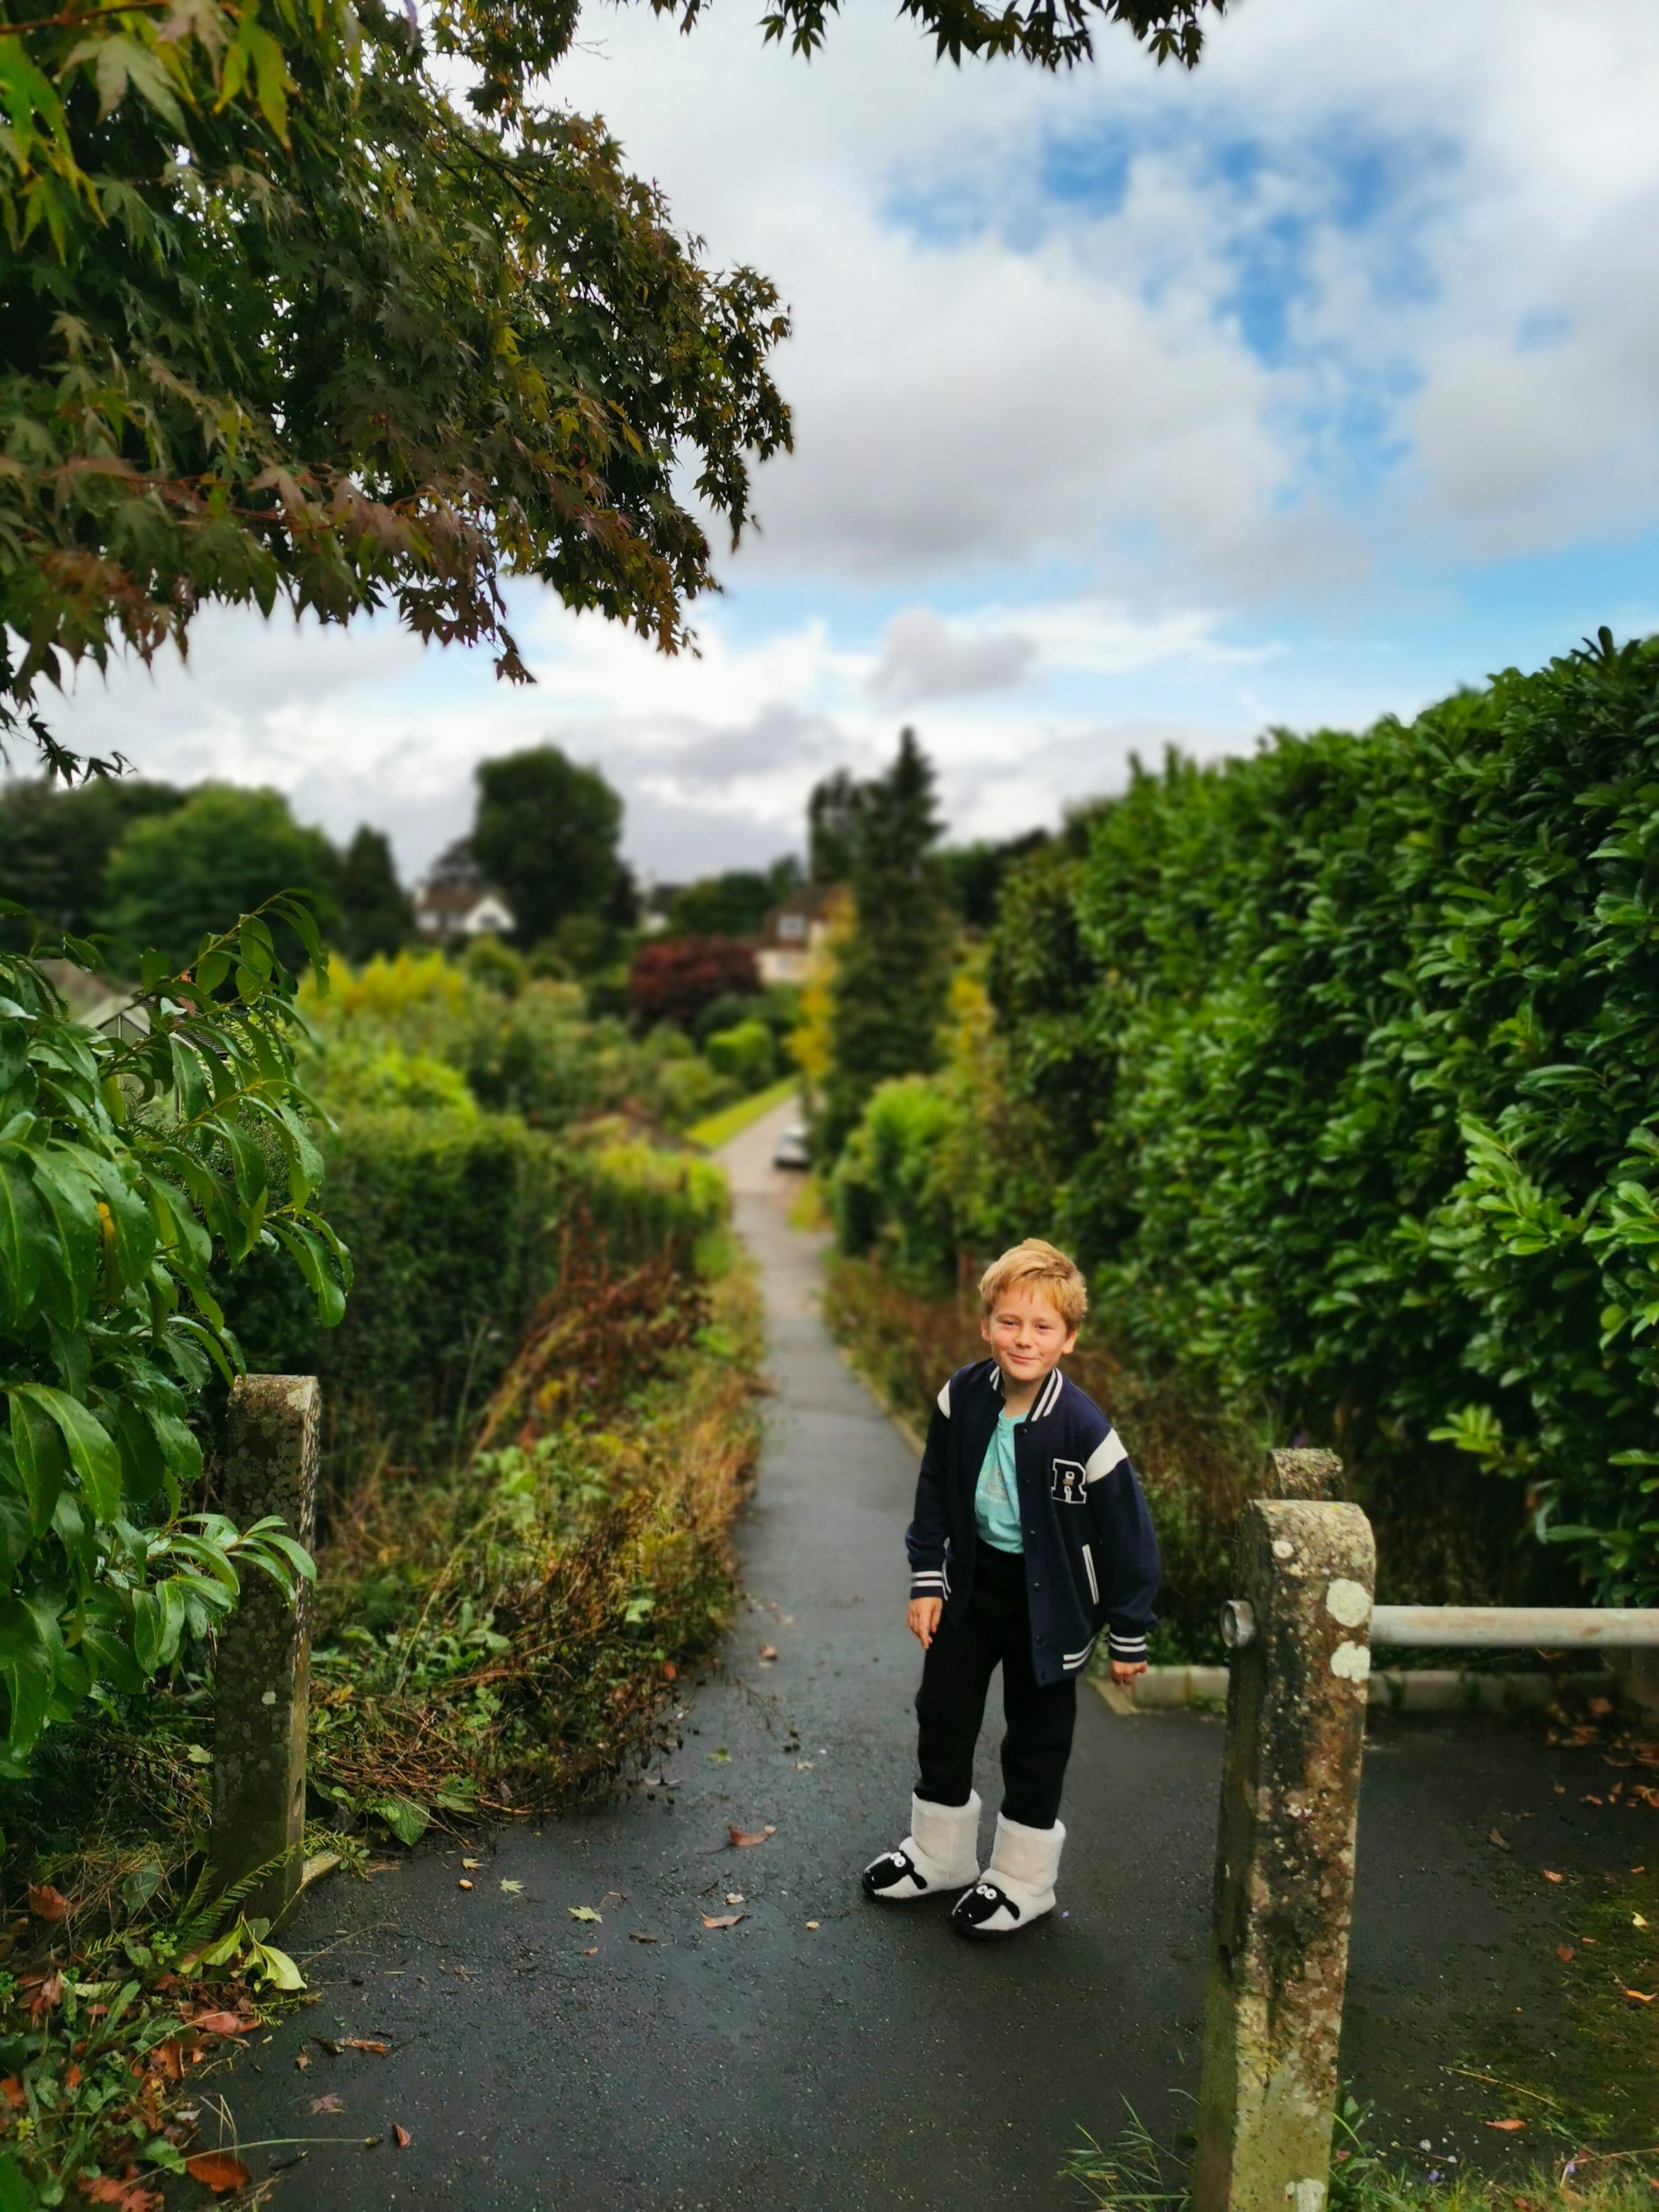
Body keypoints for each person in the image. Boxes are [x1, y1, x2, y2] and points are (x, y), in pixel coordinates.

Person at [860, 1238, 1159, 1939]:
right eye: (1010, 1322)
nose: (1024, 1340)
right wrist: (928, 1577)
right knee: (943, 1714)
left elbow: (1130, 1535)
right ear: (986, 1324)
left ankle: (1023, 1881)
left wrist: (1129, 1628)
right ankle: (940, 1856)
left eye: (1043, 1327)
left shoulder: (1085, 1430)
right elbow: (933, 1488)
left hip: (1051, 1607)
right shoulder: (962, 1396)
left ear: (1070, 1339)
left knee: (1035, 1739)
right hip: (971, 1591)